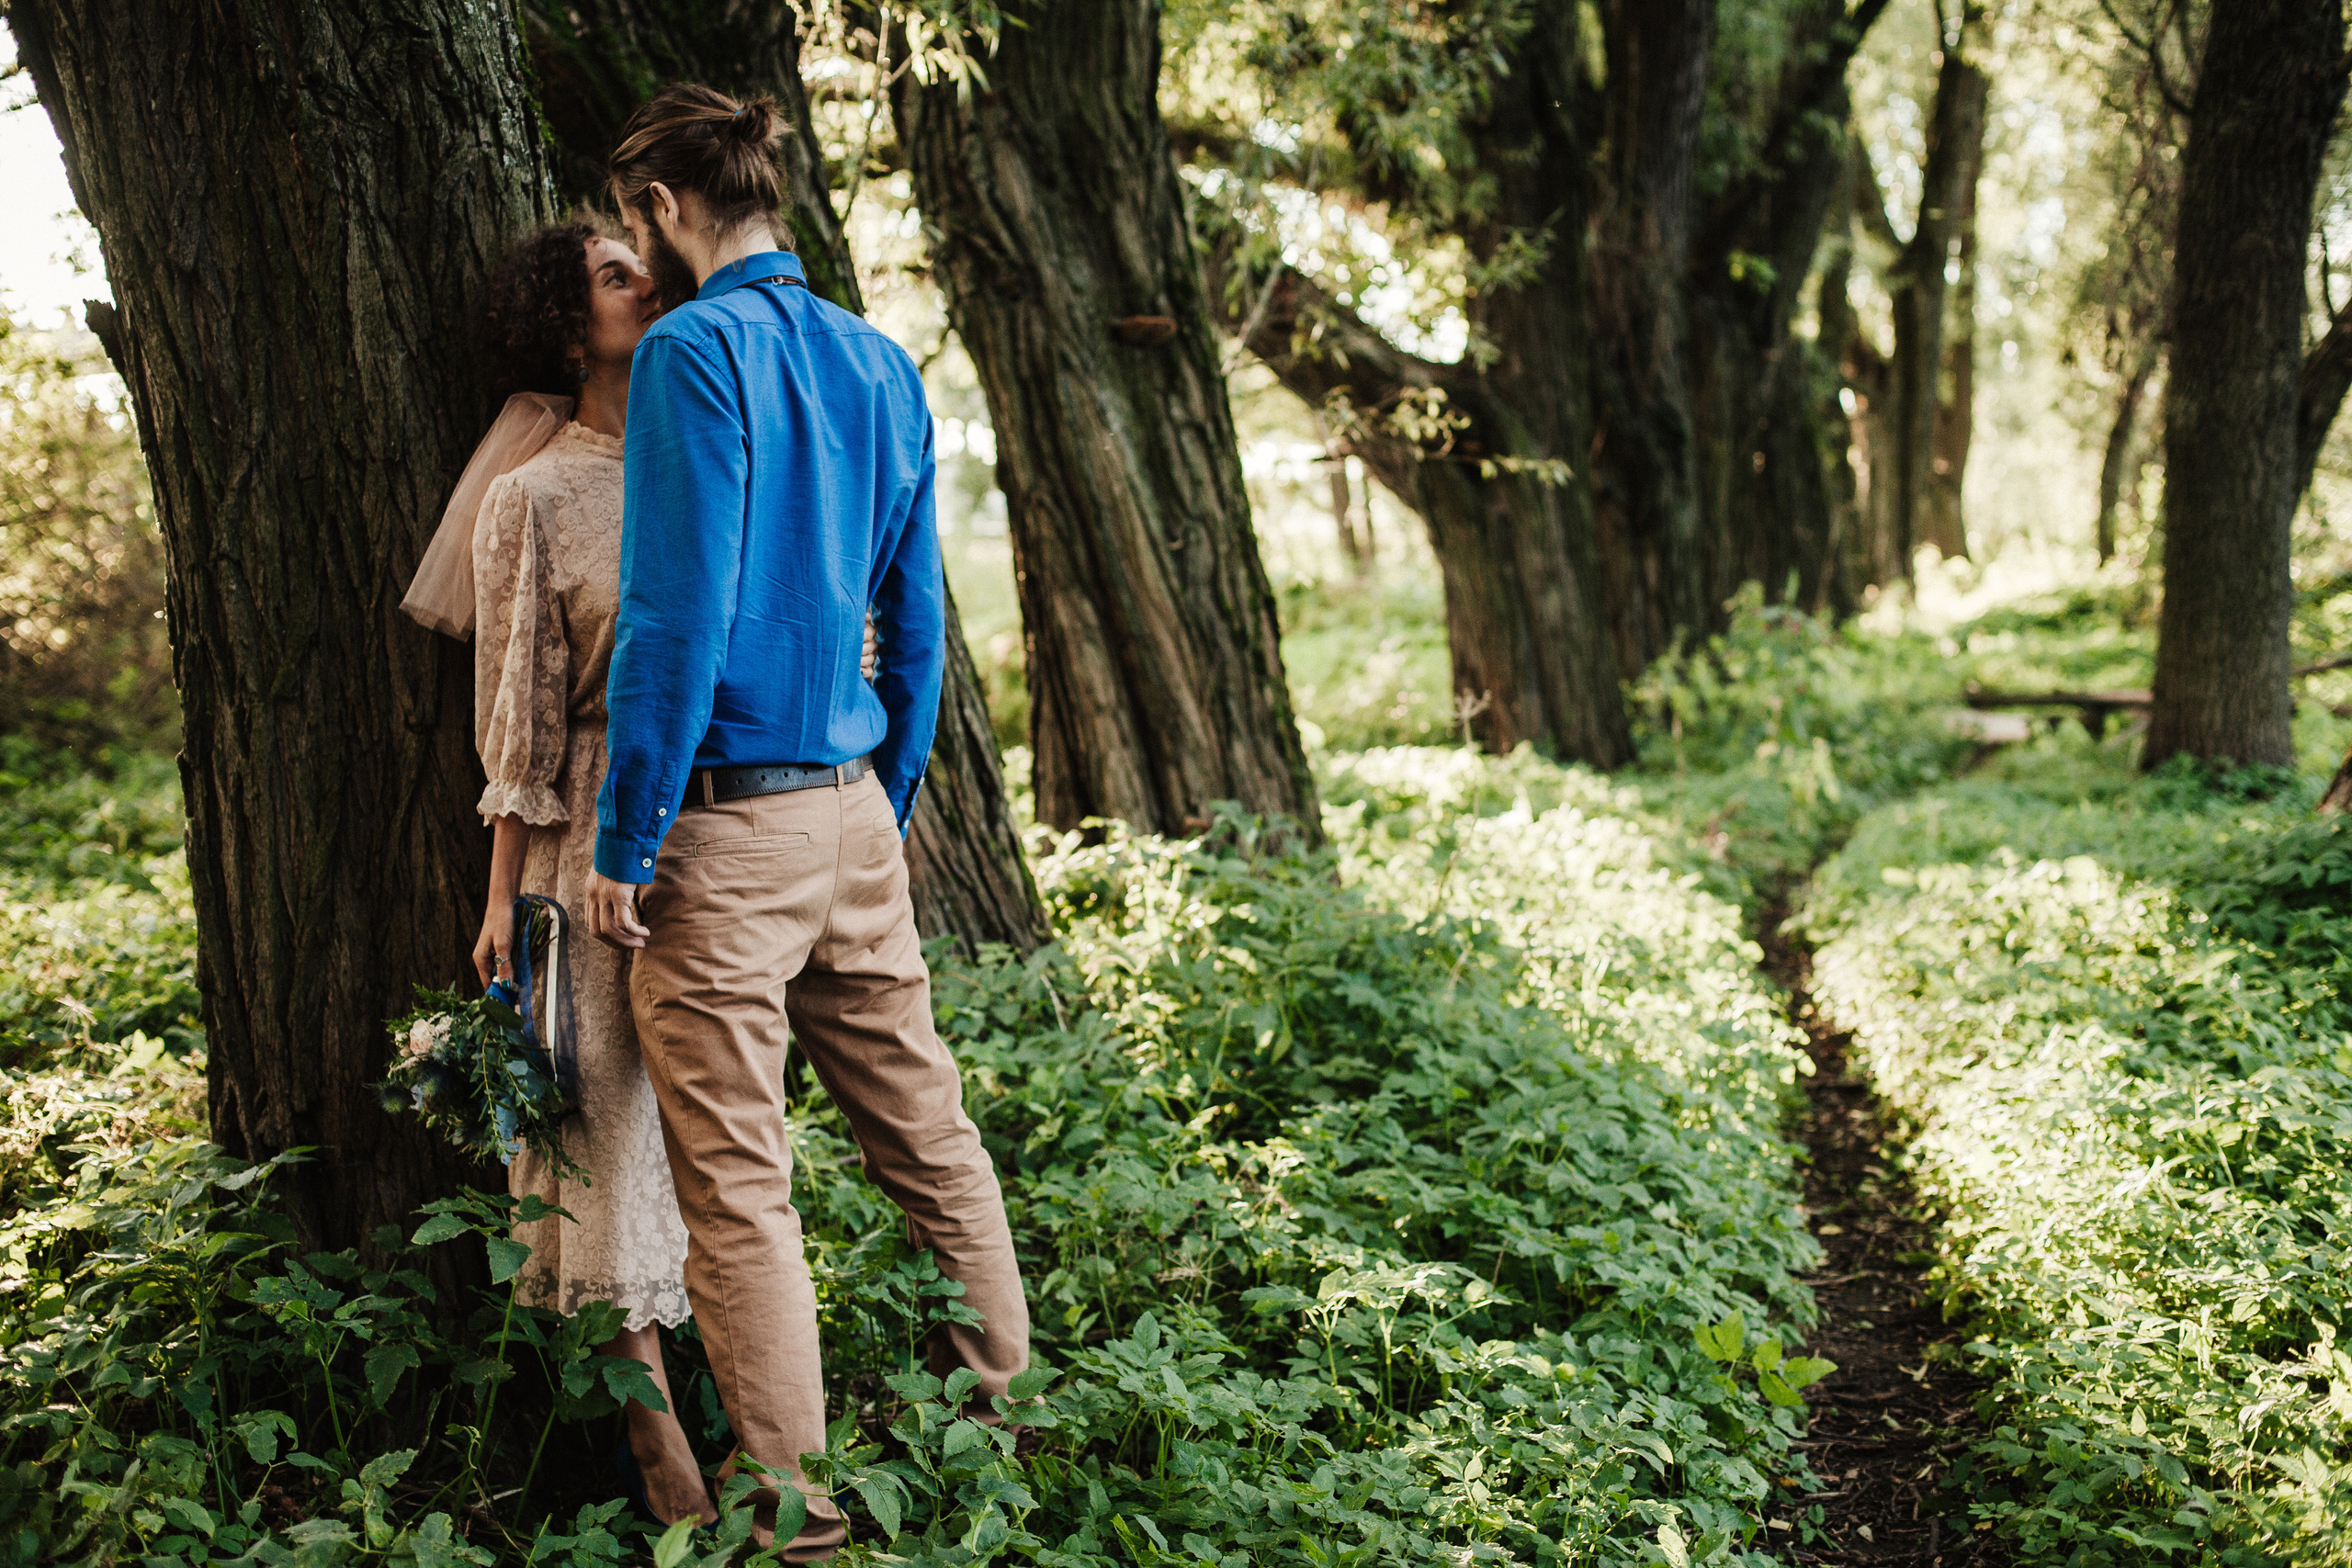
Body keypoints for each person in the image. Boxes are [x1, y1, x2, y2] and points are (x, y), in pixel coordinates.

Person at [580, 85, 1028, 1560]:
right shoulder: (879, 360)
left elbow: (674, 616)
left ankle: (795, 1509)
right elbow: (920, 620)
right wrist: (881, 803)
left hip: (723, 833)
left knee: (737, 1187)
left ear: (657, 208)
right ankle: (999, 1417)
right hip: (849, 822)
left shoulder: (693, 352)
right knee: (931, 1137)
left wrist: (624, 845)